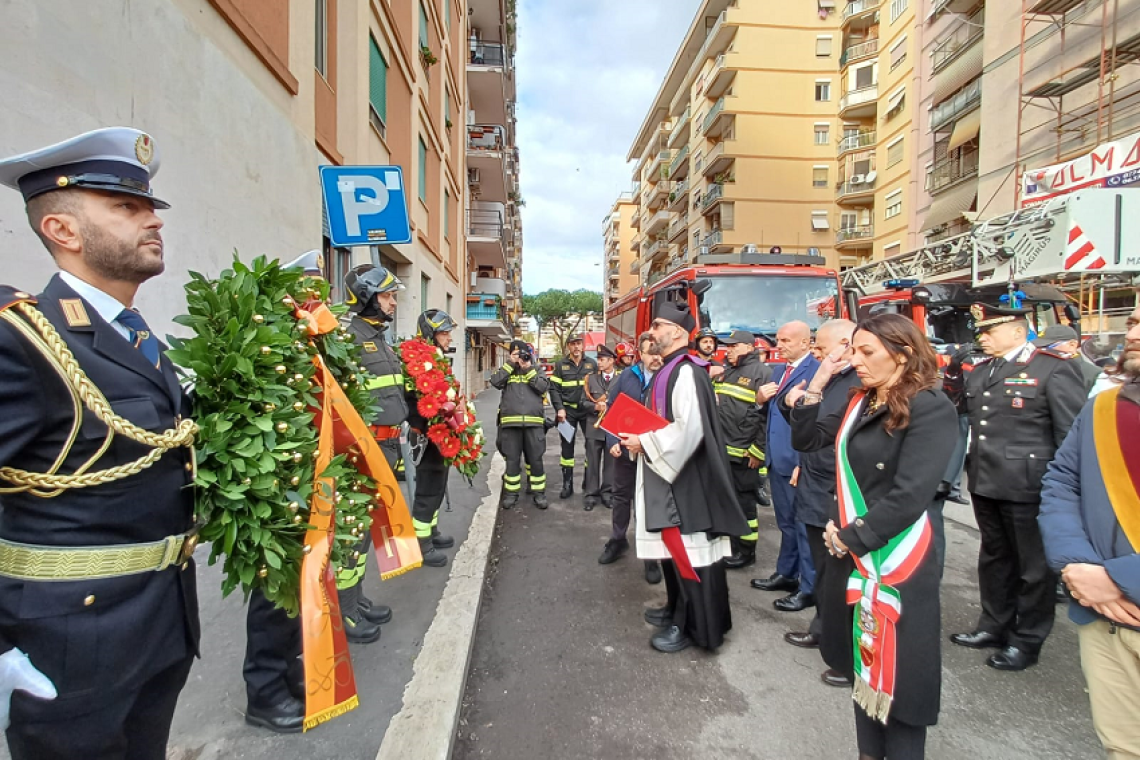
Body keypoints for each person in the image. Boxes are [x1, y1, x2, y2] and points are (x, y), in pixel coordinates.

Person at [0, 128, 199, 758]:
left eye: (149, 208)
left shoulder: (140, 339)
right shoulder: (22, 340)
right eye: (125, 208)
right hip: (67, 646)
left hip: (161, 625)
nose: (152, 222)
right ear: (63, 231)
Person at [787, 314, 957, 760]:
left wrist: (851, 536)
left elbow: (910, 494)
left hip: (898, 555)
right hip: (855, 547)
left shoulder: (930, 405)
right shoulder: (859, 398)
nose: (854, 361)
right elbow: (809, 440)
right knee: (865, 668)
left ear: (901, 354)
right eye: (852, 351)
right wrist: (819, 378)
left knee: (900, 681)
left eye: (866, 353)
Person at [950, 303, 1087, 671]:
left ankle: (1026, 640)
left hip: (1031, 485)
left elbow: (1069, 435)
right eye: (980, 331)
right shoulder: (981, 371)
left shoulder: (1053, 368)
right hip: (986, 480)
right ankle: (993, 625)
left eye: (989, 331)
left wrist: (1068, 492)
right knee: (994, 559)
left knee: (1033, 568)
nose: (982, 337)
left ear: (1016, 330)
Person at [620, 286, 748, 653]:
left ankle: (693, 627)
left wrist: (644, 443)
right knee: (674, 554)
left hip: (687, 484)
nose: (651, 333)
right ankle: (676, 607)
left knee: (690, 554)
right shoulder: (668, 370)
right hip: (671, 477)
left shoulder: (687, 372)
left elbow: (688, 429)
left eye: (657, 326)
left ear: (677, 332)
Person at [1039, 308, 1140, 759]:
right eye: (1134, 321)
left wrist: (1118, 578)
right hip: (1104, 620)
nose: (1132, 333)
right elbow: (1063, 481)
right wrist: (1077, 565)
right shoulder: (1106, 408)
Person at [778, 319, 860, 689]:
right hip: (813, 482)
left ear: (846, 344)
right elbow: (805, 433)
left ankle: (849, 653)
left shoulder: (858, 383)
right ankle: (823, 629)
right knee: (824, 573)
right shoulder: (828, 380)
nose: (817, 355)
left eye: (822, 349)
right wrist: (791, 400)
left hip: (838, 491)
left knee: (842, 576)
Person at [751, 320, 820, 613]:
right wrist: (759, 400)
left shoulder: (816, 372)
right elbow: (770, 412)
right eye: (778, 339)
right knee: (786, 524)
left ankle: (810, 587)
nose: (779, 345)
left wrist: (804, 462)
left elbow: (817, 423)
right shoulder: (779, 371)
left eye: (786, 340)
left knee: (804, 527)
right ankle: (787, 573)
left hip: (797, 461)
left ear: (806, 343)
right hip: (777, 459)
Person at [598, 333, 664, 585]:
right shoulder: (627, 376)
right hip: (625, 451)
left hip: (653, 452)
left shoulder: (667, 377)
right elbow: (612, 408)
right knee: (621, 497)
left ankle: (651, 557)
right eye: (650, 352)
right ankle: (618, 541)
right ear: (640, 353)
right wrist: (613, 442)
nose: (656, 357)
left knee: (649, 503)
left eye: (659, 352)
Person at [405, 309, 461, 568]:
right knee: (427, 490)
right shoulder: (420, 359)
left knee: (438, 486)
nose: (449, 338)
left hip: (440, 435)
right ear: (430, 334)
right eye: (444, 333)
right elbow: (419, 400)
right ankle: (421, 544)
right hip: (428, 436)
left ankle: (432, 531)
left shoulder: (435, 357)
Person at [712, 330, 772, 570]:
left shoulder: (763, 373)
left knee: (745, 504)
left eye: (734, 346)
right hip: (723, 451)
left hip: (746, 455)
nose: (729, 350)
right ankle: (731, 543)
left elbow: (767, 418)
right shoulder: (726, 372)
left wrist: (758, 451)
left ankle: (747, 551)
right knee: (727, 500)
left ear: (748, 347)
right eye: (728, 346)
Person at [490, 339, 549, 510]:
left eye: (522, 354)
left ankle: (539, 493)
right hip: (511, 424)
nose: (520, 357)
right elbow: (495, 382)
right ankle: (511, 494)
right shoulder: (507, 370)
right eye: (515, 354)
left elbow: (543, 387)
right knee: (512, 461)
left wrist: (527, 369)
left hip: (534, 423)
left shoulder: (536, 369)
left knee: (536, 460)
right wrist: (510, 364)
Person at [549, 335, 597, 501]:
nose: (576, 347)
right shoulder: (561, 365)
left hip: (587, 412)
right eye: (573, 344)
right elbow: (553, 389)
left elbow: (597, 387)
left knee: (591, 446)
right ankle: (567, 484)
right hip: (567, 413)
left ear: (583, 346)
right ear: (568, 347)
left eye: (579, 343)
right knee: (566, 447)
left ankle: (587, 482)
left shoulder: (592, 364)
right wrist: (559, 409)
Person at [939, 342, 988, 507]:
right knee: (957, 452)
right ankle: (952, 488)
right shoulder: (953, 372)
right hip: (958, 414)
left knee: (958, 452)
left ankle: (952, 487)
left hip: (962, 414)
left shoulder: (958, 371)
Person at [583, 344, 620, 510]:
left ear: (611, 361)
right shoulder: (590, 379)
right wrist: (595, 407)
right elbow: (582, 402)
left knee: (611, 464)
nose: (599, 362)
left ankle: (608, 494)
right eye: (598, 359)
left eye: (602, 359)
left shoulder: (622, 379)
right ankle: (591, 495)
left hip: (612, 427)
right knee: (592, 462)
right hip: (594, 427)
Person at [1033, 323, 1101, 392]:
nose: (1042, 351)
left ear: (1072, 345)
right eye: (1039, 347)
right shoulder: (1036, 369)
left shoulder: (1094, 374)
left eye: (1048, 347)